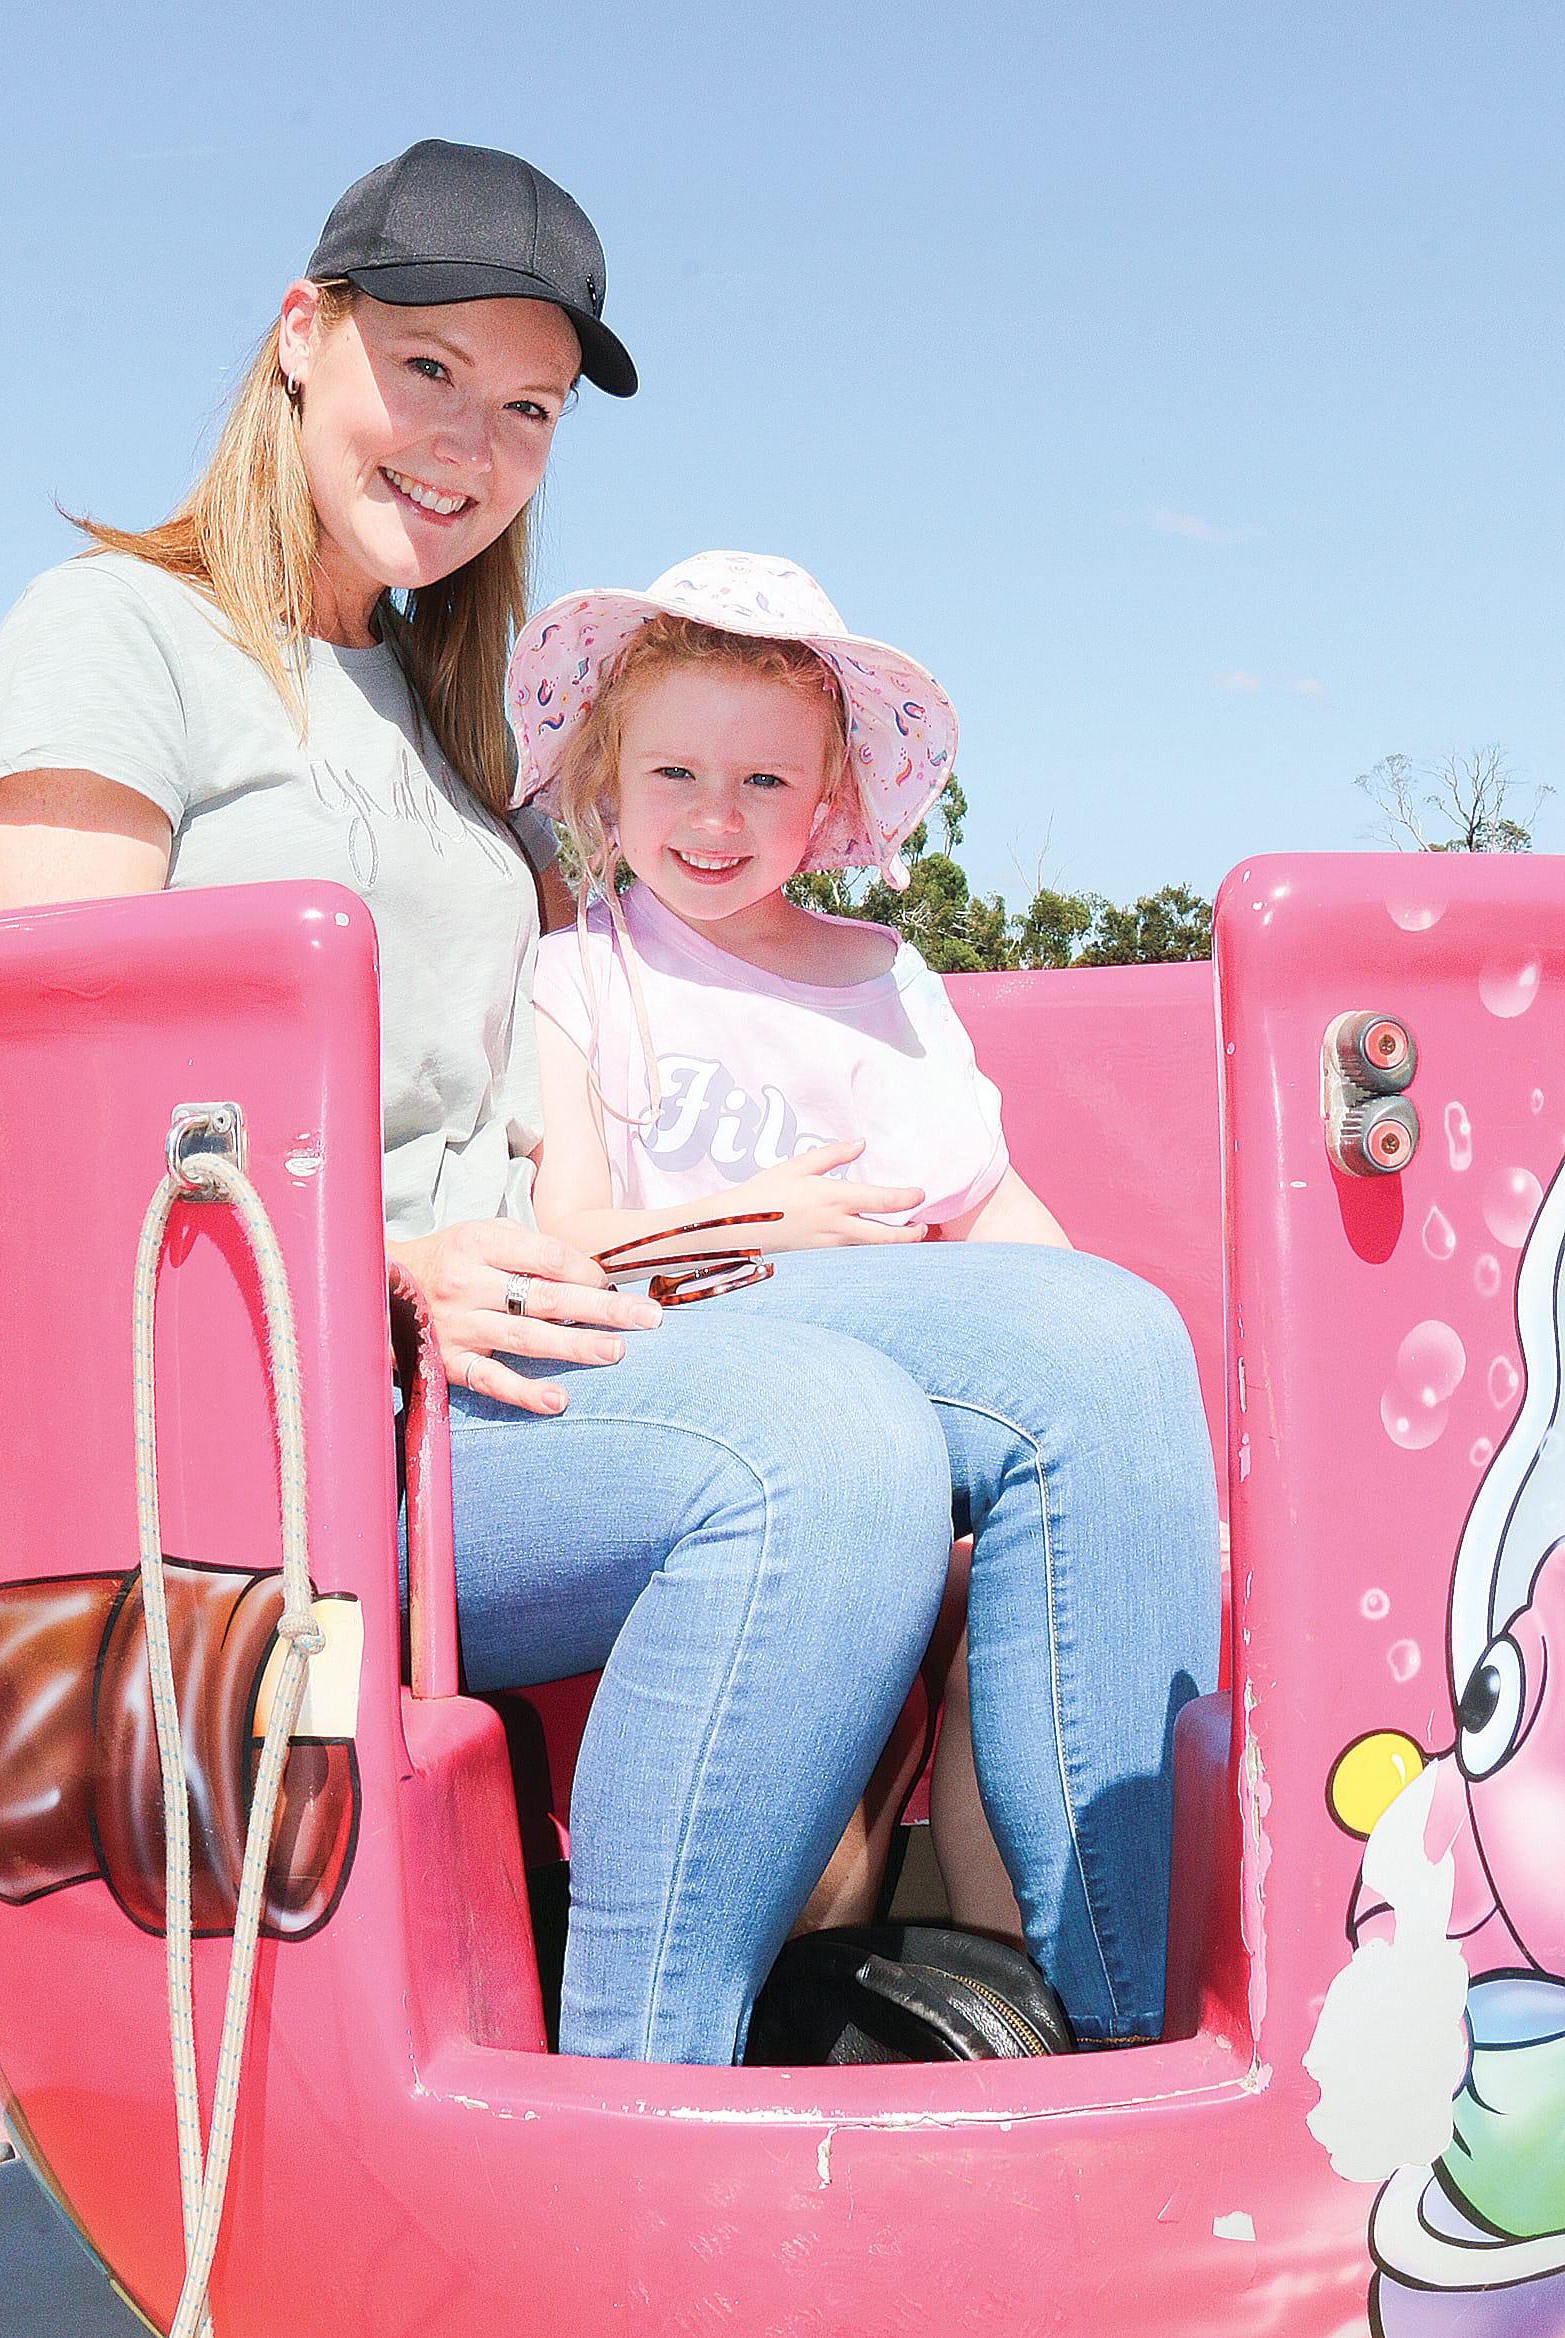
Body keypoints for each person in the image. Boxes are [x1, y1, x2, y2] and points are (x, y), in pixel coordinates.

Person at [0, 138, 1212, 2060]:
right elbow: (43, 1130)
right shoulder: (113, 640)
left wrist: (703, 1236)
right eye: (424, 368)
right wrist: (397, 1261)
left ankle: (1115, 2057)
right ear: (301, 336)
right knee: (826, 1450)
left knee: (1104, 1343)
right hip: (284, 1414)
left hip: (521, 1349)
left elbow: (543, 1143)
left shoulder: (450, 745)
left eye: (521, 407)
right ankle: (646, 2104)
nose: (466, 442)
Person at [514, 552, 1221, 2028]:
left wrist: (1119, 1411)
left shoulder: (883, 978)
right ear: (604, 772)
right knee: (831, 1642)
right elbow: (570, 1236)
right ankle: (783, 2010)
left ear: (829, 793)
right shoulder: (575, 982)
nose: (717, 817)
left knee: (1000, 1628)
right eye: (677, 772)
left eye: (765, 781)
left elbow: (994, 1216)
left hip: (935, 1409)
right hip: (711, 1403)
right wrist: (762, 1222)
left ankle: (1041, 2004)